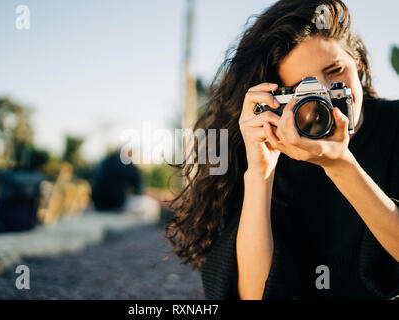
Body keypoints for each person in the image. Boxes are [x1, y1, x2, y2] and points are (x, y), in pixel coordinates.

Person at [166, 0, 399, 300]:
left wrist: (340, 165)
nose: (325, 95)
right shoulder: (276, 152)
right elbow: (252, 295)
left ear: (360, 64)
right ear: (281, 100)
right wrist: (261, 173)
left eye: (336, 70)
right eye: (304, 90)